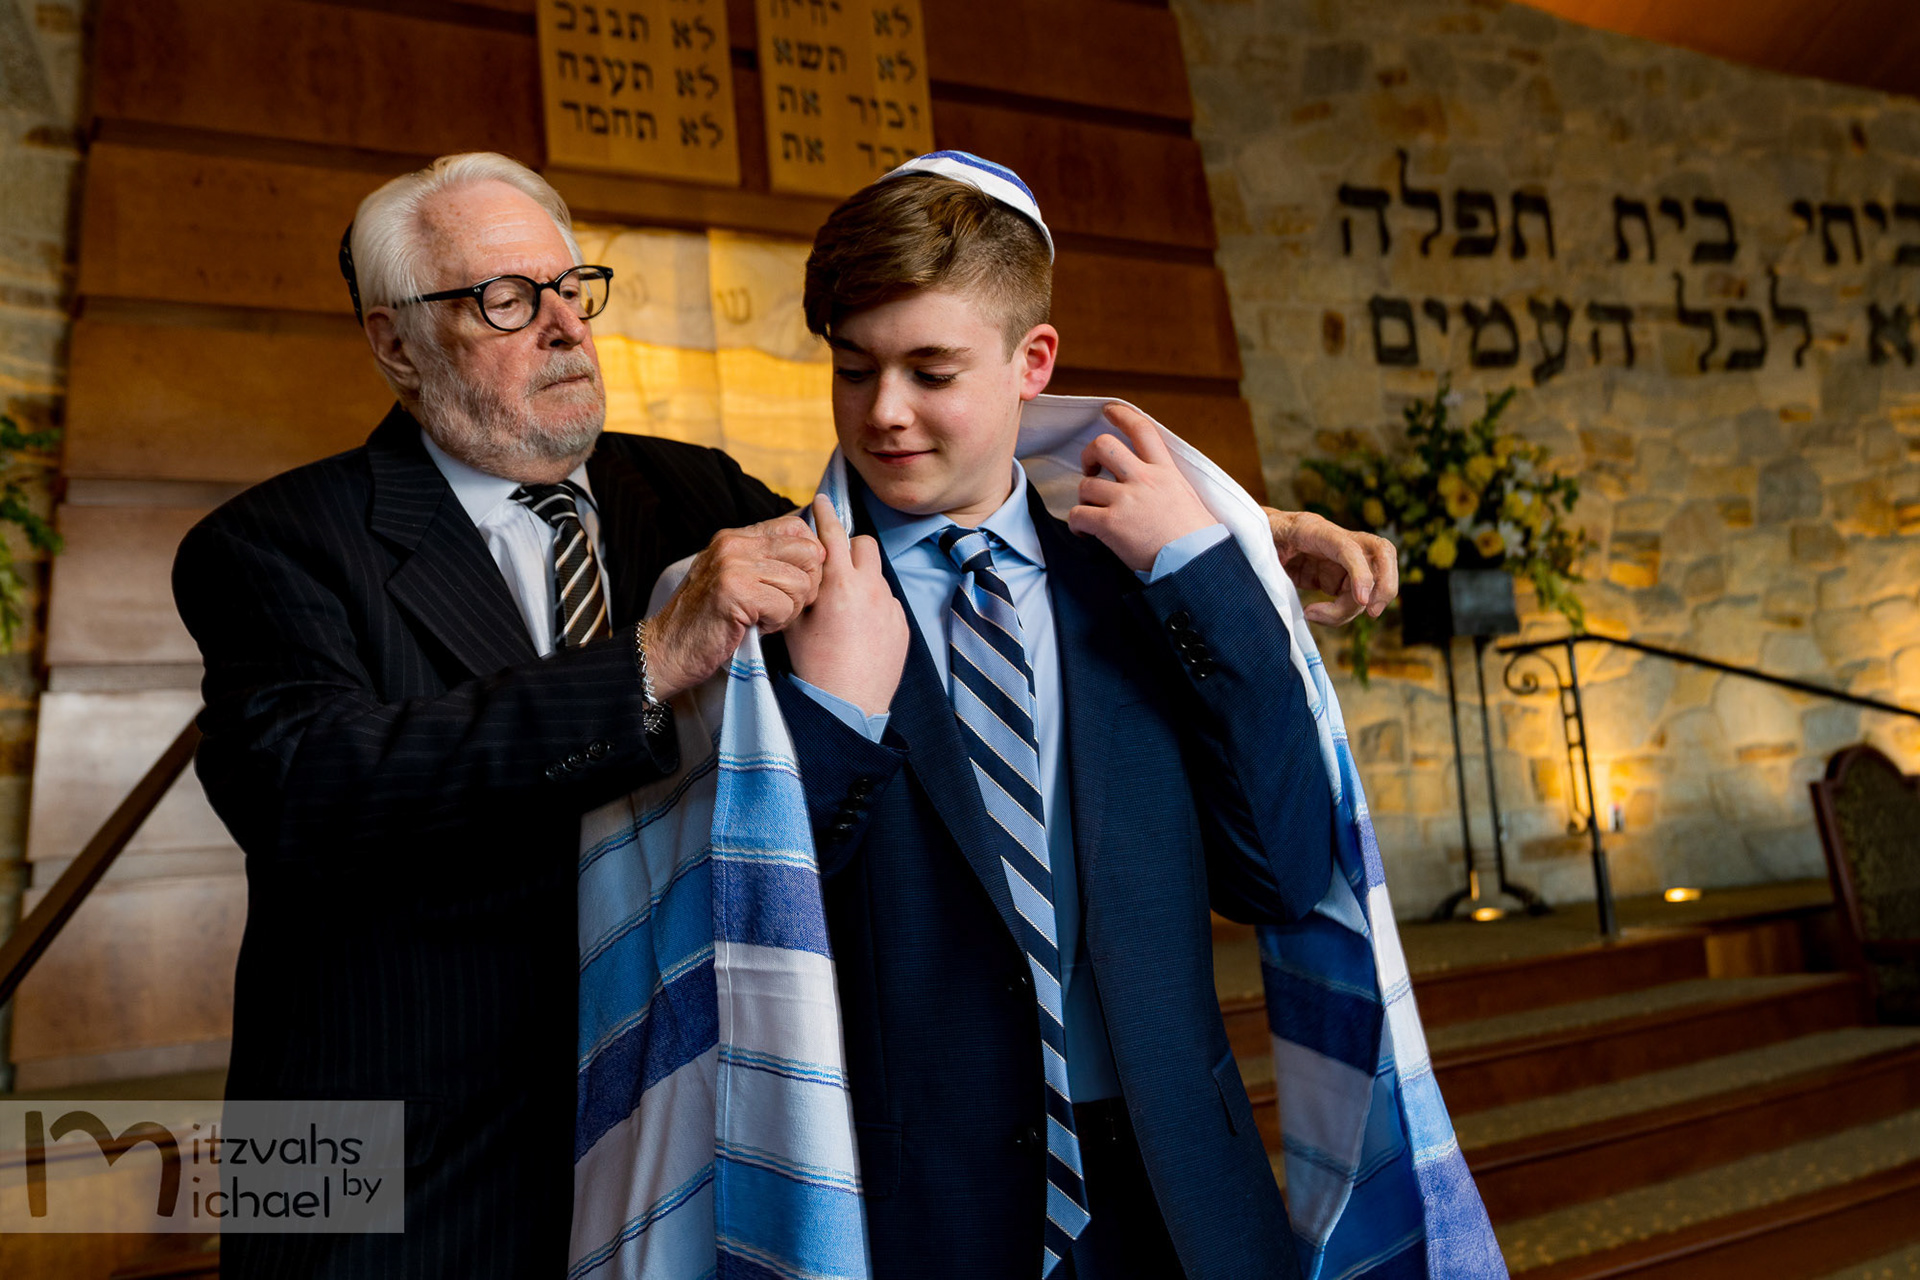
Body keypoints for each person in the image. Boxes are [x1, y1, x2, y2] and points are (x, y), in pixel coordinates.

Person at [170, 150, 1394, 1277]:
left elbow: (944, 514)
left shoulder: (686, 490)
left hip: (686, 1118)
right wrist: (650, 660)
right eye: (503, 298)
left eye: (571, 286)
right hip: (402, 1146)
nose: (562, 326)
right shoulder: (272, 543)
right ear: (394, 345)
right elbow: (303, 786)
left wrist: (1241, 536)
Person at [761, 153, 1329, 1279]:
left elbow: (1283, 872)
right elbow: (757, 939)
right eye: (855, 367)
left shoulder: (1143, 578)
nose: (886, 412)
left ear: (1034, 362)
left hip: (1184, 1201)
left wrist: (1211, 572)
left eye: (932, 371)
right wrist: (828, 714)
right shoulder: (783, 596)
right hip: (920, 1216)